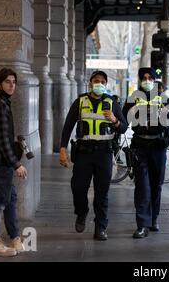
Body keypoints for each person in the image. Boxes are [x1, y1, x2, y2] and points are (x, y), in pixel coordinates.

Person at [59, 70, 128, 241]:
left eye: (102, 82)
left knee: (102, 192)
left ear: (106, 84)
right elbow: (68, 126)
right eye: (96, 81)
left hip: (104, 153)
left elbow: (124, 128)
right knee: (78, 188)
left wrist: (115, 120)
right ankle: (81, 212)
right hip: (83, 152)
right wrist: (62, 148)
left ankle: (101, 227)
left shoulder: (112, 103)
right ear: (90, 83)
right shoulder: (80, 102)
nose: (99, 84)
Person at [122, 68, 169, 238]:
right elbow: (123, 120)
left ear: (155, 79)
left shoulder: (163, 98)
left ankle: (153, 218)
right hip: (140, 146)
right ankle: (142, 224)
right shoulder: (134, 97)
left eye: (150, 77)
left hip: (158, 147)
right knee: (142, 186)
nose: (147, 80)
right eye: (144, 78)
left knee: (156, 185)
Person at [0, 68, 28, 257]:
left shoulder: (0, 101)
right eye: (7, 82)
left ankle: (14, 237)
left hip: (0, 159)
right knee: (1, 200)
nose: (12, 85)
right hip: (0, 160)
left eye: (14, 82)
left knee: (10, 199)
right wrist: (16, 164)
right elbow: (2, 139)